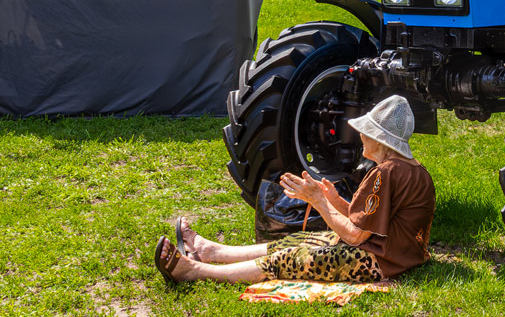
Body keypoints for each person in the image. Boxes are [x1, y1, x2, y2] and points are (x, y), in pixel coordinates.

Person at [153, 95, 436, 285]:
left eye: (366, 132)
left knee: (289, 258)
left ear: (379, 138)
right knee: (300, 239)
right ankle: (210, 250)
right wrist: (333, 199)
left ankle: (195, 271)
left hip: (381, 262)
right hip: (398, 256)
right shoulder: (413, 170)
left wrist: (318, 201)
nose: (360, 136)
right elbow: (368, 222)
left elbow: (353, 235)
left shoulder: (385, 173)